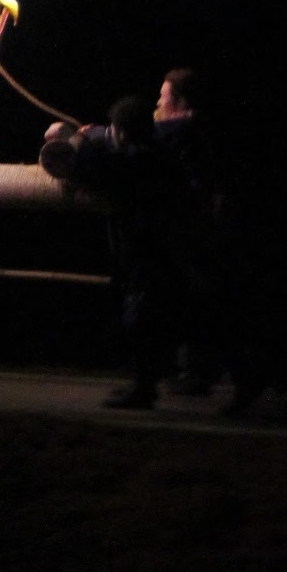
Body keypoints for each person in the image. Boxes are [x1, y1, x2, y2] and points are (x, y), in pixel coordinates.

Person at [41, 95, 184, 410]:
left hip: (147, 251)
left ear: (121, 131)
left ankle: (143, 389)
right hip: (166, 249)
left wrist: (73, 137)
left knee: (140, 319)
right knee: (155, 316)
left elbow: (91, 167)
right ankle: (152, 381)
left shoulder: (134, 160)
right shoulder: (159, 153)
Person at [152, 68, 263, 413]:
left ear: (181, 102)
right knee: (204, 304)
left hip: (206, 233)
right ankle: (200, 373)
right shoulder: (204, 128)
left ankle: (243, 381)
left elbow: (143, 135)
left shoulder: (182, 128)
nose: (158, 102)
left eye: (163, 96)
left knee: (213, 305)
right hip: (212, 230)